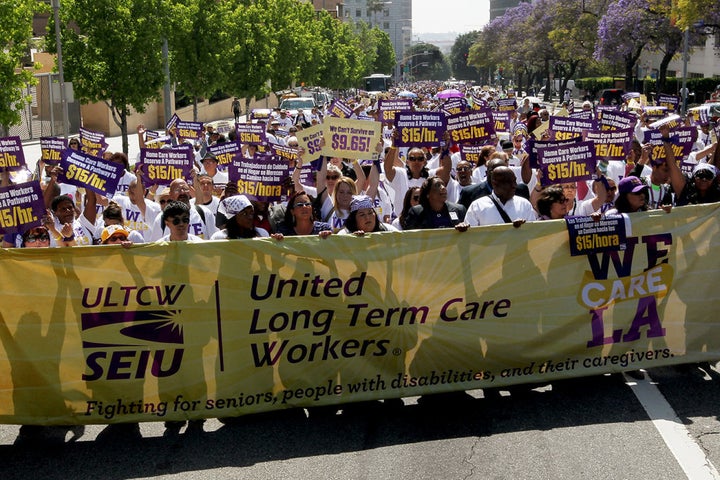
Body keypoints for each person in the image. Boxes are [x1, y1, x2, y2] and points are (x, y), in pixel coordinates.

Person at [465, 167, 536, 227]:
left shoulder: (525, 204)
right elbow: (470, 236)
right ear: (494, 184)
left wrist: (523, 228)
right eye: (509, 182)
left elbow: (533, 233)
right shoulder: (477, 206)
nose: (514, 185)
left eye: (515, 181)